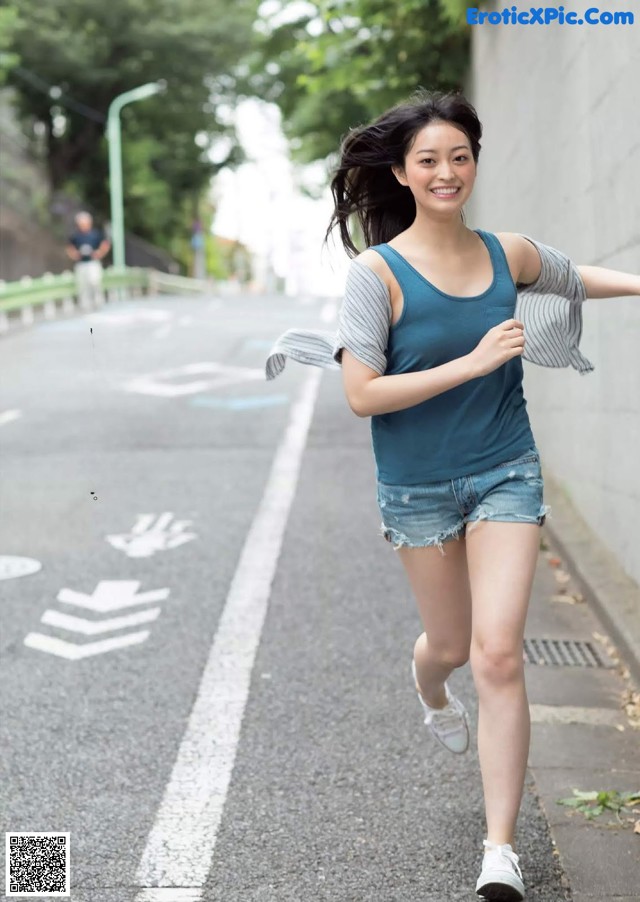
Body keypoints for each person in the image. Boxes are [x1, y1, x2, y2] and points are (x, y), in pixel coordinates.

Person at [264, 88, 640, 900]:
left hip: (506, 467)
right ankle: (429, 681)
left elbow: (575, 277)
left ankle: (499, 851)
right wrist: (472, 361)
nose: (446, 172)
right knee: (452, 646)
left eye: (459, 156)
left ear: (474, 162)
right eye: (428, 160)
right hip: (419, 488)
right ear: (400, 172)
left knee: (499, 654)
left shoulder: (508, 254)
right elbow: (362, 394)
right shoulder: (378, 275)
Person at [65, 211, 111, 308]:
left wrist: (99, 253)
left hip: (93, 262)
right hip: (81, 263)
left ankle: (98, 300)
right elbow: (69, 247)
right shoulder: (75, 235)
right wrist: (74, 255)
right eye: (81, 223)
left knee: (95, 281)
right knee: (82, 284)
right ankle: (84, 303)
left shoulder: (95, 234)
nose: (83, 225)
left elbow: (105, 244)